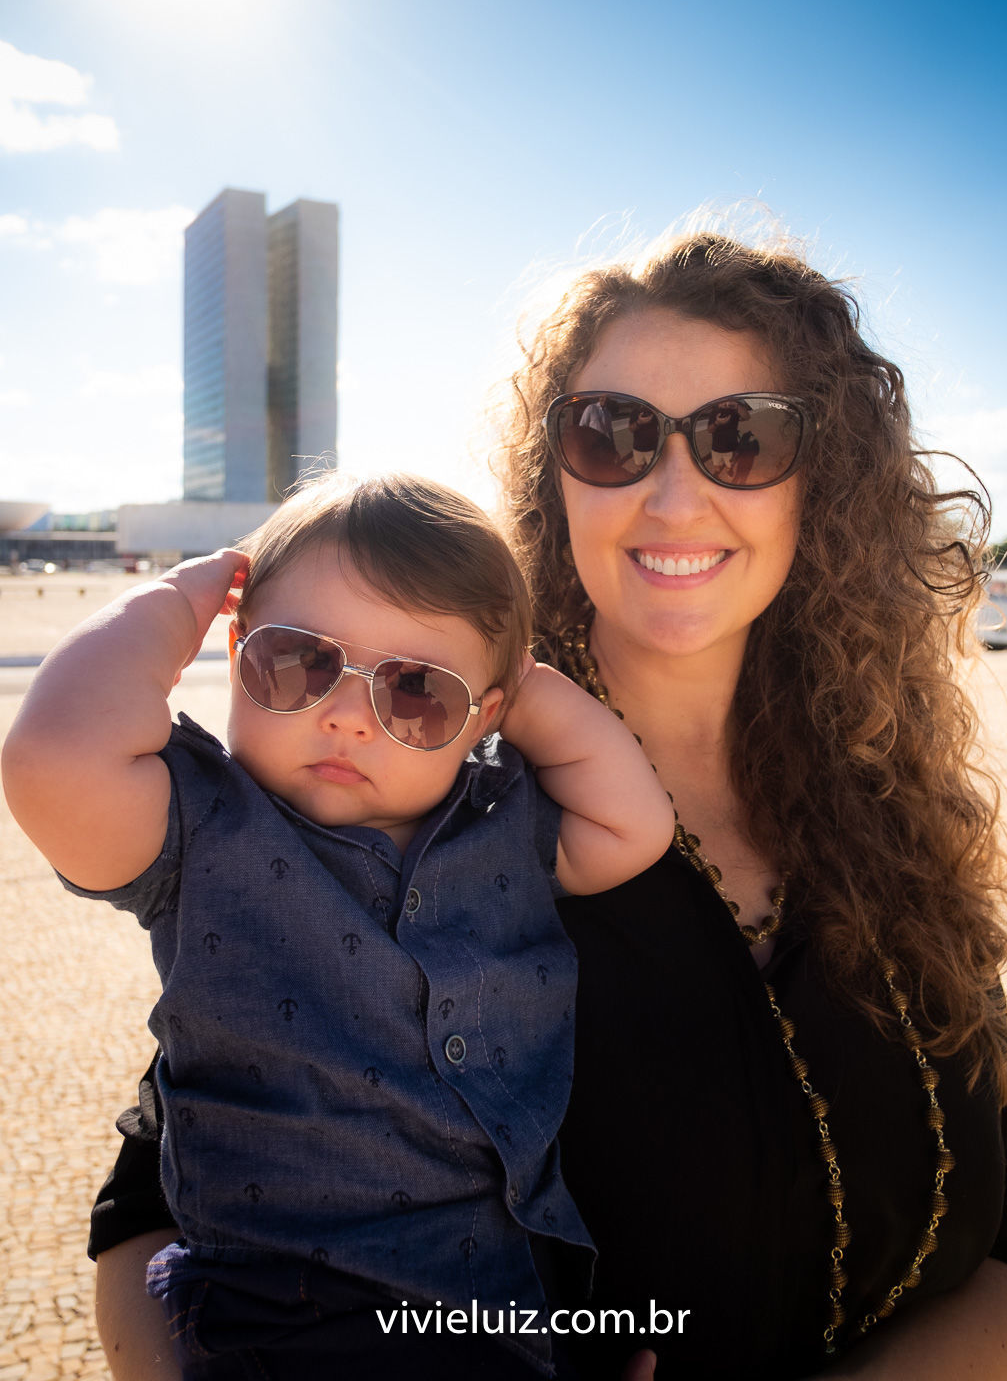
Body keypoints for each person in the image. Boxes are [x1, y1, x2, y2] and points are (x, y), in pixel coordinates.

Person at [76, 228, 1007, 1380]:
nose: (673, 491)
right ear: (556, 472)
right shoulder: (431, 797)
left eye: (742, 437)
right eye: (614, 434)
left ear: (820, 480)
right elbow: (153, 1213)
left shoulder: (891, 812)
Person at [2, 471, 674, 1380]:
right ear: (234, 648)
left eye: (416, 693)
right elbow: (50, 758)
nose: (349, 716)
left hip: (514, 1290)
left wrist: (523, 694)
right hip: (285, 1302)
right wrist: (176, 599)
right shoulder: (199, 827)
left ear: (483, 715)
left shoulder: (505, 826)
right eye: (299, 661)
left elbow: (634, 829)